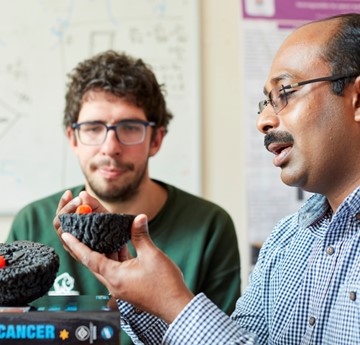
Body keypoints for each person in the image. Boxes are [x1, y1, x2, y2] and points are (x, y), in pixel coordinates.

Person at [54, 12, 360, 344]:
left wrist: (174, 303)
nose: (264, 120)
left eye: (285, 92)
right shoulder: (286, 241)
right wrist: (149, 296)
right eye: (266, 101)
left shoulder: (211, 226)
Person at [7, 51, 241, 345]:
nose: (110, 147)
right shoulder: (32, 223)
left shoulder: (210, 227)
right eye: (93, 128)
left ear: (155, 140)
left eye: (129, 128)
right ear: (73, 139)